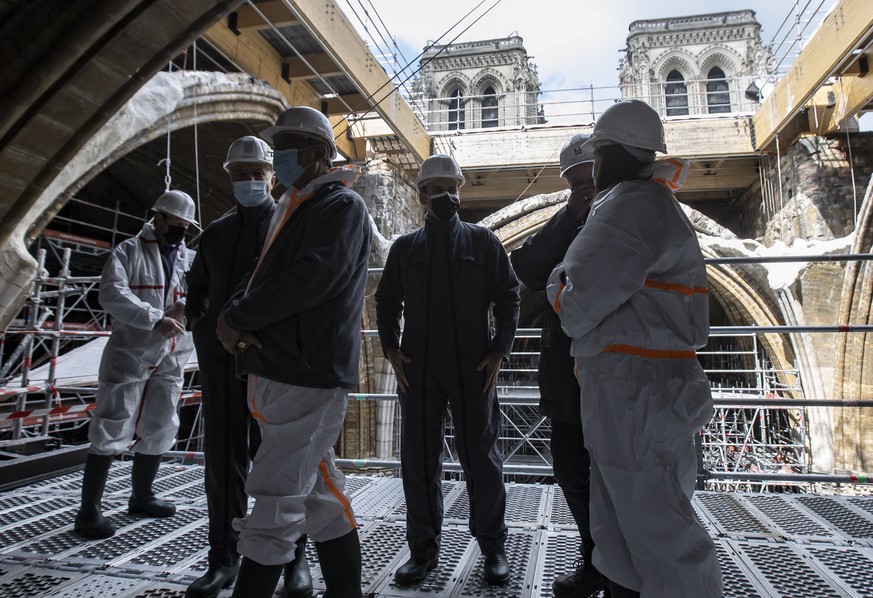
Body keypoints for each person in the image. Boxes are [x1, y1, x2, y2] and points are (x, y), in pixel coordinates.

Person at [547, 99, 723, 598]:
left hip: (635, 389)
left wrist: (557, 282)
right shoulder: (648, 202)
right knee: (624, 521)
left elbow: (577, 304)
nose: (595, 165)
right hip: (640, 383)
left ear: (619, 153)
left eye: (599, 153)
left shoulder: (631, 205)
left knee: (657, 526)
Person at [215, 106, 371, 598]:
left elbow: (312, 277)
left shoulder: (340, 207)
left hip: (306, 371)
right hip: (285, 368)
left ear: (320, 153)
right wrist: (235, 311)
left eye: (289, 144)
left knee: (275, 500)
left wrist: (237, 318)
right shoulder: (297, 204)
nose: (279, 154)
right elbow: (262, 275)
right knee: (321, 496)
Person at [375, 154, 520, 587]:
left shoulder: (483, 243)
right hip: (420, 371)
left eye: (451, 187)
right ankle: (422, 552)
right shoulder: (405, 249)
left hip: (474, 368)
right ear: (422, 195)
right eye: (435, 188)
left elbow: (509, 296)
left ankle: (493, 547)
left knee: (482, 459)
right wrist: (390, 347)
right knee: (419, 461)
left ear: (460, 189)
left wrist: (500, 351)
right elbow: (386, 301)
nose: (445, 196)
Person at [184, 136, 311, 598]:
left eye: (257, 173)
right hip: (219, 363)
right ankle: (223, 560)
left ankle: (295, 561)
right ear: (230, 177)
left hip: (268, 362)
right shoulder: (215, 233)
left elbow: (298, 287)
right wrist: (199, 324)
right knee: (222, 462)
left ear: (271, 176)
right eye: (241, 174)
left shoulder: (289, 224)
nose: (249, 181)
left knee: (280, 463)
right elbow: (195, 288)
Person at [510, 134, 608, 598]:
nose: (585, 188)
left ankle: (622, 567)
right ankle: (596, 562)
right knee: (571, 470)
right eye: (576, 182)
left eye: (590, 178)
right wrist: (570, 216)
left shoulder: (628, 215)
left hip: (615, 374)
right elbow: (527, 269)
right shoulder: (567, 220)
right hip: (569, 378)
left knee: (617, 474)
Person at [74, 190, 197, 539]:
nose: (181, 231)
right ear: (158, 218)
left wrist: (185, 308)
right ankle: (89, 512)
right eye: (176, 224)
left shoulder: (189, 257)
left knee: (161, 421)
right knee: (113, 422)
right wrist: (154, 317)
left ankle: (142, 496)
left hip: (174, 350)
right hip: (133, 348)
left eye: (186, 226)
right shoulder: (128, 252)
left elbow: (202, 290)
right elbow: (113, 294)